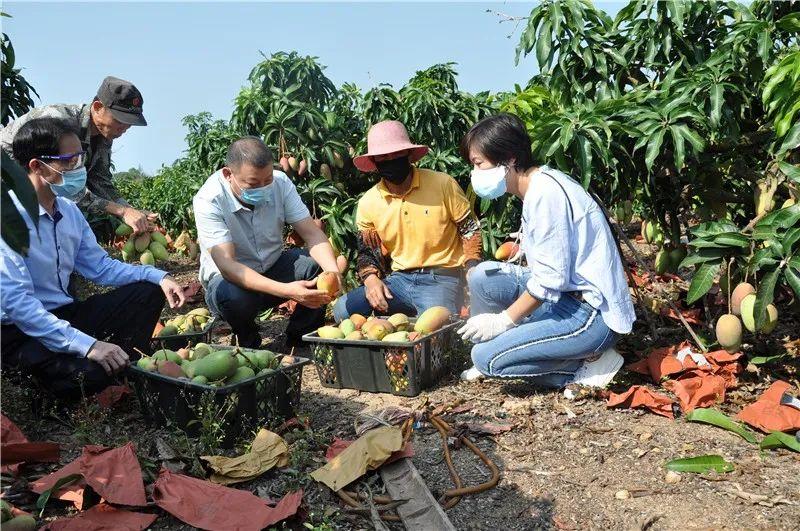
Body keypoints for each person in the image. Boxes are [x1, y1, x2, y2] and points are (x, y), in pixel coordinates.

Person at [0, 118, 186, 399]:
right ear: (37, 166)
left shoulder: (69, 211)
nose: (80, 168)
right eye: (70, 160)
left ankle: (117, 360)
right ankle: (72, 377)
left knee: (147, 293)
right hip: (19, 330)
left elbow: (100, 267)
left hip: (65, 314)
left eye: (81, 158)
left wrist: (158, 276)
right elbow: (18, 305)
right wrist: (88, 345)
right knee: (88, 374)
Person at [457, 114, 636, 388]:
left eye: (479, 163)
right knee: (483, 276)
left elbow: (550, 281)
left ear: (510, 158)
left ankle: (585, 365)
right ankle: (509, 347)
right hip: (566, 300)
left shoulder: (545, 195)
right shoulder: (538, 186)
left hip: (589, 316)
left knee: (486, 359)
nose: (475, 173)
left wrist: (504, 320)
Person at [194, 136, 342, 349]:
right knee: (234, 296)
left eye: (268, 180)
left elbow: (312, 234)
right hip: (232, 282)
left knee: (317, 265)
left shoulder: (280, 183)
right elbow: (228, 266)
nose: (263, 187)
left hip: (273, 267)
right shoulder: (209, 199)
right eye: (253, 183)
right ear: (228, 174)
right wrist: (287, 290)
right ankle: (248, 339)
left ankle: (300, 338)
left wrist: (332, 272)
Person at [333, 120, 481, 321]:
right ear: (375, 163)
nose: (391, 161)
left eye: (397, 155)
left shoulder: (442, 184)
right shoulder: (369, 201)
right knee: (343, 309)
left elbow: (469, 230)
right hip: (399, 280)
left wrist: (471, 271)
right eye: (384, 157)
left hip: (440, 278)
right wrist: (371, 280)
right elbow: (368, 251)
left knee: (436, 332)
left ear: (409, 155)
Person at [0, 76, 156, 234]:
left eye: (130, 122)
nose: (126, 127)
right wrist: (121, 211)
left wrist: (131, 211)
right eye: (120, 120)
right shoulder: (58, 122)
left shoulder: (104, 134)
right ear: (97, 107)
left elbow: (100, 180)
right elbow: (70, 189)